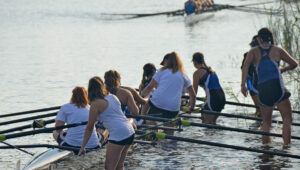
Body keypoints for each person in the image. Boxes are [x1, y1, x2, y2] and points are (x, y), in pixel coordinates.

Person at [241, 28, 298, 145]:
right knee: (287, 119)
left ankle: (266, 150)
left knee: (266, 122)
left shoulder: (253, 51)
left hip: (263, 89)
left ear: (259, 39)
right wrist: (283, 69)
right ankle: (286, 149)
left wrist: (243, 85)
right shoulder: (278, 50)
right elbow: (294, 64)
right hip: (278, 88)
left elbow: (245, 67)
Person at [79, 77, 135, 170]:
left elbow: (89, 127)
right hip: (130, 131)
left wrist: (83, 146)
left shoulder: (95, 104)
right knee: (119, 166)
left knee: (109, 167)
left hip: (119, 134)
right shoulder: (113, 96)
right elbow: (110, 113)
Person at [141, 52, 196, 134]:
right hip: (173, 108)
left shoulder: (161, 71)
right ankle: (169, 141)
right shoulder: (184, 75)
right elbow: (193, 95)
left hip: (157, 103)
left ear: (167, 62)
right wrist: (191, 108)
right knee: (170, 130)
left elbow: (149, 87)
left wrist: (140, 97)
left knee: (147, 103)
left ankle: (147, 123)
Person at [53, 86, 108, 154]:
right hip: (93, 146)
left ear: (72, 95)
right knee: (105, 129)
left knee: (55, 132)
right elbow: (95, 123)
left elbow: (58, 129)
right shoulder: (91, 108)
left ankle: (64, 149)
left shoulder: (65, 107)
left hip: (70, 146)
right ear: (85, 96)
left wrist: (63, 131)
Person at [192, 52, 226, 124]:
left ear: (194, 62)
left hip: (213, 98)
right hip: (222, 97)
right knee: (212, 123)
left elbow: (193, 92)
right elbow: (212, 86)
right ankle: (220, 135)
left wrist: (190, 106)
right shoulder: (211, 71)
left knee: (206, 123)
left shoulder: (197, 73)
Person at [241, 35, 261, 117]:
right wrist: (244, 84)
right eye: (252, 46)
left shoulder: (265, 55)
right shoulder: (247, 55)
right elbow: (243, 68)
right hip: (250, 82)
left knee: (262, 107)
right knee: (258, 106)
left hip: (262, 82)